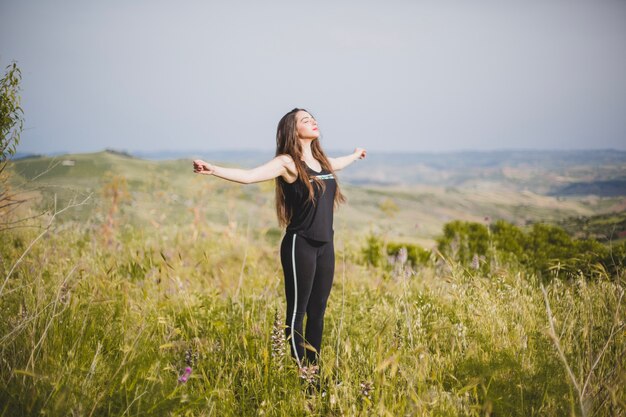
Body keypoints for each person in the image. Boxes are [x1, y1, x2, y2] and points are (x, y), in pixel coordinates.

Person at [193, 108, 366, 378]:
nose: (313, 121)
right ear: (292, 129)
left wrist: (355, 156)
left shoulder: (322, 161)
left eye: (313, 118)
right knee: (297, 312)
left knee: (318, 313)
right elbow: (250, 176)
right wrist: (213, 169)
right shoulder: (287, 162)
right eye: (305, 120)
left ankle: (314, 372)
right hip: (301, 245)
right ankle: (305, 378)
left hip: (326, 247)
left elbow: (339, 162)